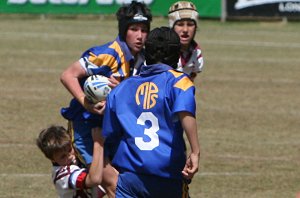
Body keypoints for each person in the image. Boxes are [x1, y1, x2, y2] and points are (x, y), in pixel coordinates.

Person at [59, 1, 152, 196]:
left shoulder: (144, 58)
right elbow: (68, 75)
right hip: (87, 128)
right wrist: (86, 102)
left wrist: (123, 93)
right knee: (113, 184)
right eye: (134, 29)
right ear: (123, 30)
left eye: (144, 30)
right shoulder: (107, 53)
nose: (140, 35)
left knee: (125, 182)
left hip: (115, 128)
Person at [102, 27, 200, 198]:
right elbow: (185, 112)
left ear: (146, 54)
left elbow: (110, 133)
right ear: (177, 55)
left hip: (130, 176)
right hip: (166, 175)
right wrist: (195, 151)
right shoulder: (179, 82)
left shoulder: (121, 88)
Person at [36, 125, 105, 198]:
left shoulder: (76, 160)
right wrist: (98, 143)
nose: (70, 156)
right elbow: (94, 180)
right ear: (52, 159)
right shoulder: (64, 175)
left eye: (70, 150)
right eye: (63, 156)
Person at [168, 1, 204, 81]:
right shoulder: (162, 52)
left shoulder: (196, 53)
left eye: (190, 24)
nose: (185, 30)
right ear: (172, 27)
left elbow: (191, 81)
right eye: (180, 24)